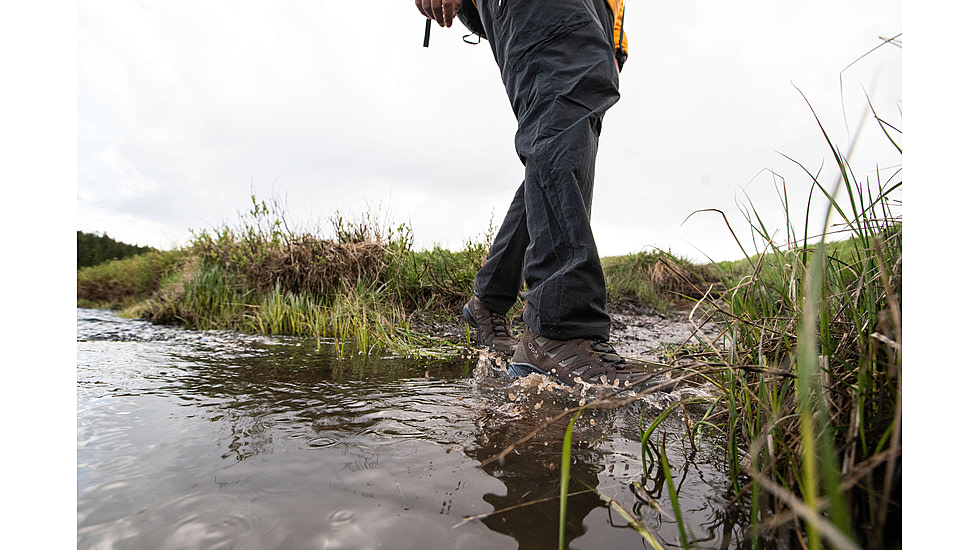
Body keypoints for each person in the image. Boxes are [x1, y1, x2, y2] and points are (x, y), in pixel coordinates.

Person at [416, 0, 652, 388]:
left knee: (557, 150)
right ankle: (557, 333)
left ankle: (489, 300)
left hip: (599, 20)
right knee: (558, 123)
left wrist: (610, 39)